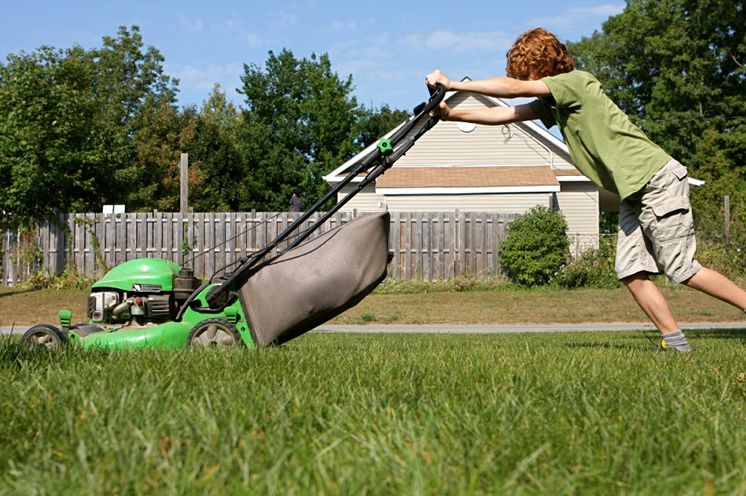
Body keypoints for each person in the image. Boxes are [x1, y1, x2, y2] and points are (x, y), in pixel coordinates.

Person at [426, 27, 746, 352]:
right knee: (631, 270)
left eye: (530, 75)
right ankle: (677, 344)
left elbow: (512, 91)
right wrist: (451, 114)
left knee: (681, 268)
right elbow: (506, 113)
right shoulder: (552, 105)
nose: (528, 83)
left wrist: (454, 84)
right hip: (633, 191)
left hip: (655, 180)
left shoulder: (576, 83)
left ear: (545, 68)